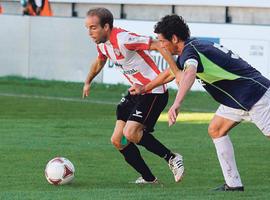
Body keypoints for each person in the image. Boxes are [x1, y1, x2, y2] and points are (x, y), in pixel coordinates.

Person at [129, 14, 270, 191]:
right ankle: (233, 184)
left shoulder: (190, 52)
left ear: (174, 38)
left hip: (256, 95)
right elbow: (171, 73)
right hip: (238, 99)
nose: (161, 46)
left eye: (162, 41)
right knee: (216, 129)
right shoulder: (192, 47)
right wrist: (145, 88)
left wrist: (177, 103)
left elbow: (189, 73)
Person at [82, 8, 184, 184]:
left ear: (106, 26)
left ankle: (172, 157)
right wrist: (88, 81)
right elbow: (100, 61)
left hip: (154, 92)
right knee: (118, 140)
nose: (90, 33)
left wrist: (176, 73)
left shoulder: (123, 39)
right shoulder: (101, 43)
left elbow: (158, 45)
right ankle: (149, 179)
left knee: (131, 133)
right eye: (88, 28)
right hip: (136, 92)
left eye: (93, 27)